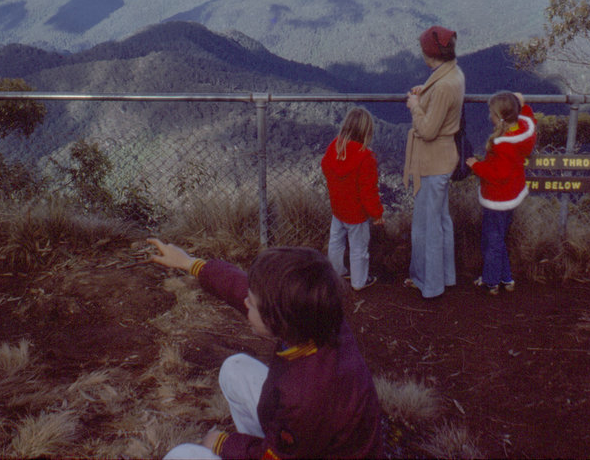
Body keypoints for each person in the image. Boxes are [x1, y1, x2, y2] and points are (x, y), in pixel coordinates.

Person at [147, 239, 384, 460]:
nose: (246, 302)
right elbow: (240, 287)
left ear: (277, 319)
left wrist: (223, 444)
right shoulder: (317, 317)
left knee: (183, 456)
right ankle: (268, 440)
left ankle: (266, 443)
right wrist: (190, 263)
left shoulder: (305, 397)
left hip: (300, 446)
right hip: (312, 438)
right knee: (234, 368)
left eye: (253, 303)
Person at [403, 25, 466, 299]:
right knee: (440, 221)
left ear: (430, 53)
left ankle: (429, 285)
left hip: (433, 161)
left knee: (427, 226)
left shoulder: (443, 86)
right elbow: (441, 100)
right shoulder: (453, 73)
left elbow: (427, 130)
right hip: (443, 158)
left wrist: (416, 106)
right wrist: (423, 93)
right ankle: (444, 278)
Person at [465, 92, 537, 294]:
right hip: (512, 195)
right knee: (500, 238)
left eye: (491, 112)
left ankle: (491, 282)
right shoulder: (522, 133)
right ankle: (507, 279)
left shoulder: (503, 144)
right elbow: (530, 124)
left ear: (498, 117)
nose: (489, 116)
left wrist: (476, 166)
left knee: (492, 241)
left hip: (497, 198)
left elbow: (498, 174)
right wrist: (523, 106)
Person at [321, 107, 384, 291]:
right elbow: (368, 192)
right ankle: (359, 282)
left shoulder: (335, 146)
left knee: (336, 242)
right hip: (357, 214)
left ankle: (335, 273)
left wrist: (336, 187)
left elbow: (325, 165)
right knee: (358, 249)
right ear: (367, 131)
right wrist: (377, 213)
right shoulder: (366, 158)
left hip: (337, 208)